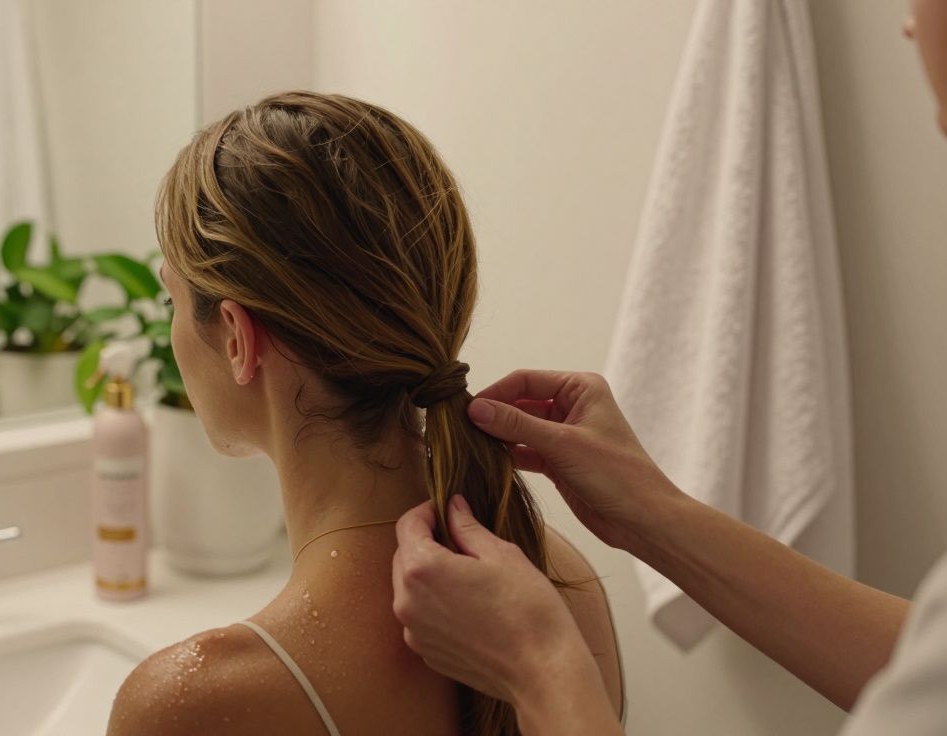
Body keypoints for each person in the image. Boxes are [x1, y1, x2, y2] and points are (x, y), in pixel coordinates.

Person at [391, 3, 947, 733]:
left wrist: (543, 667)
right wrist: (653, 513)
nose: (906, 26)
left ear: (242, 337)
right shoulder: (572, 582)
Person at [108, 92, 623, 735]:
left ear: (238, 338)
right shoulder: (552, 576)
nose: (172, 329)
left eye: (172, 302)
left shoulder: (193, 704)